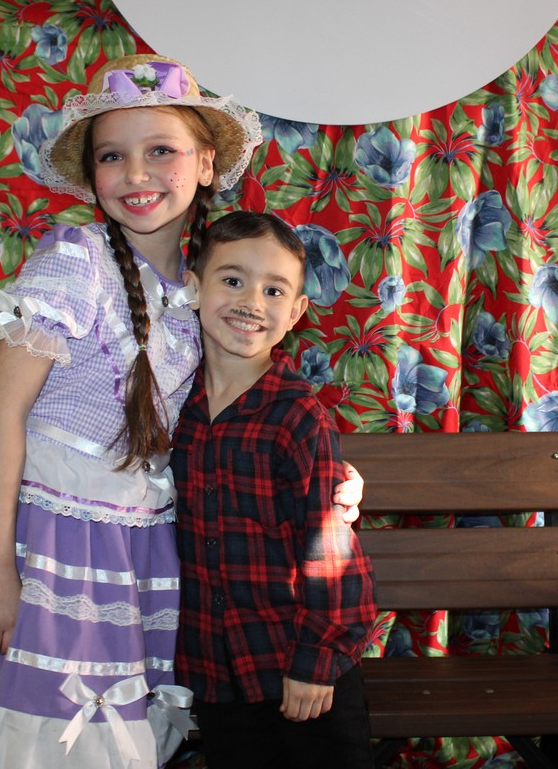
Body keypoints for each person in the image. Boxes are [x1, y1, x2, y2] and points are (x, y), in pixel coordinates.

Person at [0, 55, 361, 769]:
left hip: (132, 543)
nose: (137, 173)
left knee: (102, 734)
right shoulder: (74, 262)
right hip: (44, 537)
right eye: (112, 156)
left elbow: (227, 410)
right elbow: (0, 416)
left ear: (205, 164)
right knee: (40, 733)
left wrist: (329, 475)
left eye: (161, 150)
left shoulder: (203, 287)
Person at [172, 211, 377, 769]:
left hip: (299, 665)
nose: (251, 302)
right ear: (193, 286)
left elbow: (330, 552)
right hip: (216, 670)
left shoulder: (297, 416)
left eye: (273, 290)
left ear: (296, 311)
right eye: (232, 280)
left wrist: (316, 659)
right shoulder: (172, 404)